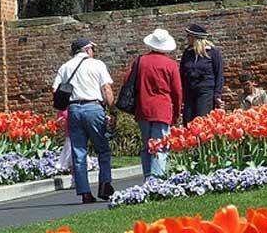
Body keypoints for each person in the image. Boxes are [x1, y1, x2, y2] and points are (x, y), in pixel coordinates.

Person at [52, 38, 115, 204]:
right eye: (92, 48)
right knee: (102, 149)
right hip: (93, 107)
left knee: (79, 152)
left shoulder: (65, 67)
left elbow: (55, 89)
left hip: (73, 109)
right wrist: (112, 110)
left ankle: (85, 192)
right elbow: (106, 88)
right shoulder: (97, 64)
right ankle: (105, 184)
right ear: (87, 50)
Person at [125, 28, 182, 179]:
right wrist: (176, 113)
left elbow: (127, 82)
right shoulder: (170, 65)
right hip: (162, 110)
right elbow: (177, 92)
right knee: (160, 146)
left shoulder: (139, 62)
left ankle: (148, 176)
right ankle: (156, 181)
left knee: (146, 146)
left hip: (143, 108)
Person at [179, 23, 225, 125]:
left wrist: (217, 95)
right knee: (188, 122)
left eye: (189, 36)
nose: (187, 38)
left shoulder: (212, 53)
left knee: (202, 121)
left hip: (205, 92)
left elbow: (219, 74)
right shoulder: (187, 53)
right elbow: (181, 74)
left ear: (195, 38)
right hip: (190, 92)